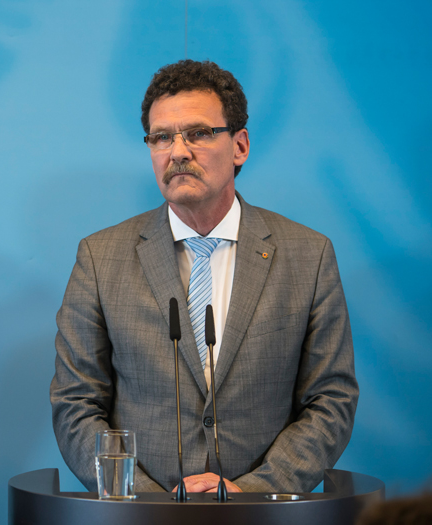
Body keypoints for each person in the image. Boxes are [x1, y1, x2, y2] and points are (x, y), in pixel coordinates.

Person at [50, 60, 358, 494]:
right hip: (141, 517)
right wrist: (148, 501)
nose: (177, 151)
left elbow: (330, 400)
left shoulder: (308, 256)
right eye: (161, 137)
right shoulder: (100, 259)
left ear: (239, 146)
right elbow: (75, 404)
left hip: (263, 515)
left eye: (197, 133)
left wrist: (251, 493)